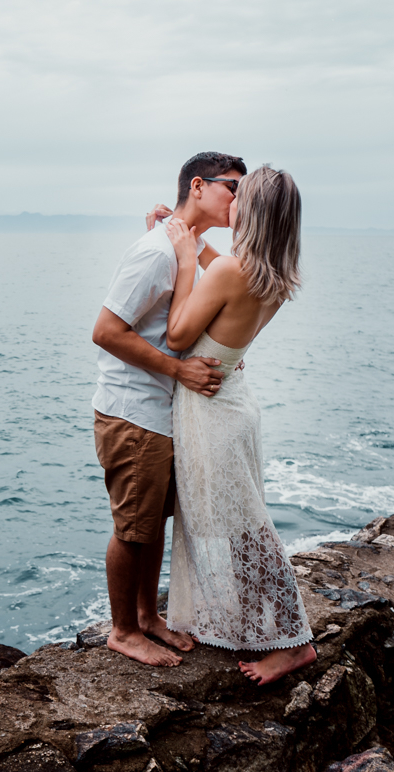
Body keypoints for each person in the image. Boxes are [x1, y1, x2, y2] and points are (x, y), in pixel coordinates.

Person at [91, 151, 248, 667]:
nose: (239, 199)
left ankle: (146, 617)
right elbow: (106, 332)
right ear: (199, 186)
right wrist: (179, 370)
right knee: (134, 526)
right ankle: (121, 631)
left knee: (155, 519)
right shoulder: (157, 253)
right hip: (134, 411)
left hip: (162, 411)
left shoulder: (187, 246)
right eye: (233, 187)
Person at [162, 165, 316, 684]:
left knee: (247, 528)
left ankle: (295, 643)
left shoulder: (229, 271)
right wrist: (196, 246)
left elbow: (180, 336)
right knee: (240, 524)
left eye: (239, 197)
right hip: (232, 403)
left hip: (212, 411)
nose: (231, 203)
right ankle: (260, 630)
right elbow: (226, 278)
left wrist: (186, 258)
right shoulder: (271, 271)